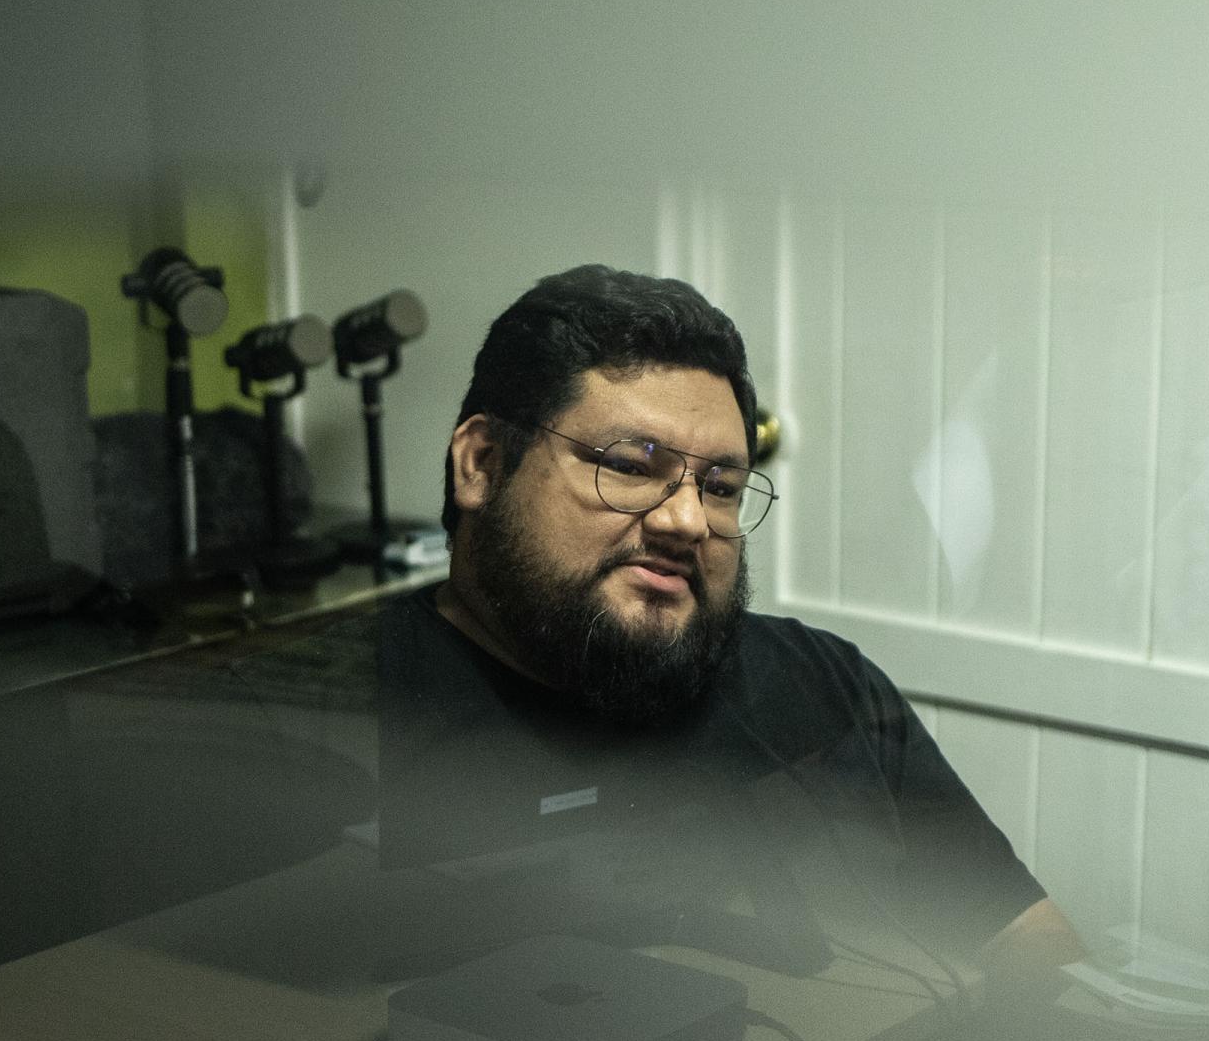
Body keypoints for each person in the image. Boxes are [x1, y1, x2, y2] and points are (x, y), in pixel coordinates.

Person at [378, 263, 1090, 988]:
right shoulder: (342, 712)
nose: (688, 521)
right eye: (628, 465)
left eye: (720, 488)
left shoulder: (824, 686)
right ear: (483, 464)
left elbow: (1023, 931)